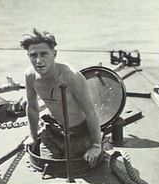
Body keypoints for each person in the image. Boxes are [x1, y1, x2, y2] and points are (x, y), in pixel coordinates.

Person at [20, 28, 102, 167]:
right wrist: (33, 137)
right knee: (48, 167)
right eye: (33, 55)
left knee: (82, 168)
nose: (39, 61)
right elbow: (33, 108)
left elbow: (90, 112)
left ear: (54, 53)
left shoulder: (71, 75)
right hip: (54, 132)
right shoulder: (30, 75)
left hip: (80, 133)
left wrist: (96, 146)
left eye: (44, 54)